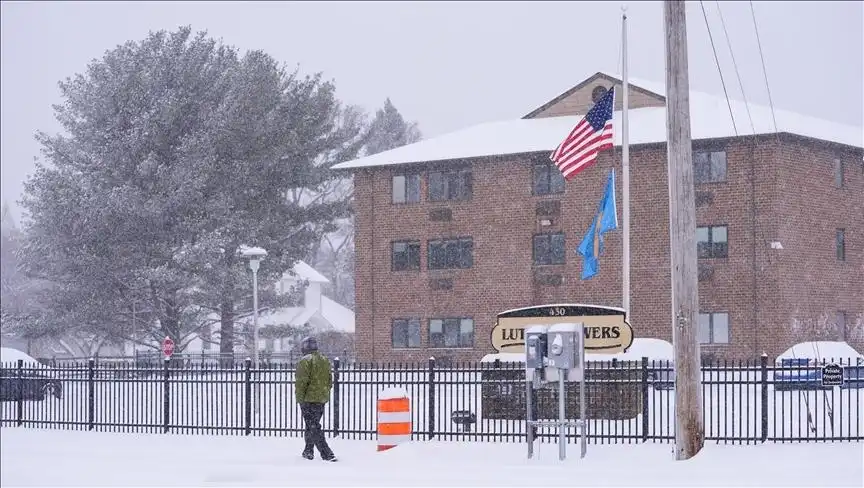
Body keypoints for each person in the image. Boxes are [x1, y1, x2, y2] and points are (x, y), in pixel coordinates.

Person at [295, 336, 337, 462]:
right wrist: (323, 392)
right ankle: (308, 451)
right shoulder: (324, 360)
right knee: (312, 426)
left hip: (308, 399)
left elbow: (301, 382)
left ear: (304, 347)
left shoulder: (305, 360)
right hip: (321, 399)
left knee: (313, 427)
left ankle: (327, 453)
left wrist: (300, 399)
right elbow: (330, 380)